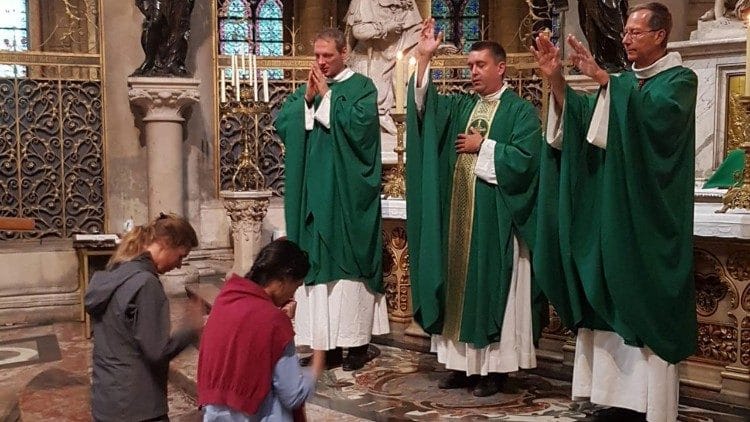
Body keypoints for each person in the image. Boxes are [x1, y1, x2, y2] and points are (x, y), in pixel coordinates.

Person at [531, 2, 697, 421]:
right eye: (624, 32)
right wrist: (557, 82)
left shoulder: (680, 80)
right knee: (607, 286)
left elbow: (659, 121)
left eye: (635, 33)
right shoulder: (625, 83)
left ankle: (649, 403)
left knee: (643, 297)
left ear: (661, 35)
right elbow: (589, 122)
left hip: (652, 217)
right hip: (618, 211)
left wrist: (607, 82)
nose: (624, 39)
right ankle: (614, 397)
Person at [406, 18, 546, 397]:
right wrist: (423, 60)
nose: (473, 72)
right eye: (469, 66)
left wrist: (484, 147)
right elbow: (425, 110)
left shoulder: (519, 111)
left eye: (480, 65)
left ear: (501, 67)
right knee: (459, 291)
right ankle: (461, 366)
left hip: (495, 221)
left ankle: (494, 372)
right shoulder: (462, 104)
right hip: (459, 219)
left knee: (493, 290)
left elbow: (528, 161)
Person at [275, 28, 389, 372]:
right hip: (314, 193)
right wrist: (309, 101)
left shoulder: (361, 87)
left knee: (347, 266)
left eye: (328, 55)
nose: (321, 62)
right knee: (317, 265)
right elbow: (285, 120)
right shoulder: (310, 86)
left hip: (345, 195)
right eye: (317, 55)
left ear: (345, 53)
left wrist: (325, 98)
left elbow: (362, 129)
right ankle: (326, 345)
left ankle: (355, 344)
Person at [84, 213, 203, 421]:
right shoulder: (145, 284)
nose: (179, 265)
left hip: (107, 400)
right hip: (137, 407)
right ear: (166, 244)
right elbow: (157, 351)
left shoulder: (116, 271)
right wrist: (191, 327)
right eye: (181, 256)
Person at [198, 239, 325, 421]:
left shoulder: (226, 299)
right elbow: (293, 395)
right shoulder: (274, 322)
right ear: (284, 280)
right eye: (295, 286)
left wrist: (275, 313)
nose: (293, 295)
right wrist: (316, 365)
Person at [345, 0, 422, 139]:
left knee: (403, 77)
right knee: (374, 96)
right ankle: (381, 117)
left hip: (398, 53)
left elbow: (416, 30)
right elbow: (358, 31)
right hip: (371, 56)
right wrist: (386, 27)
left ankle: (400, 118)